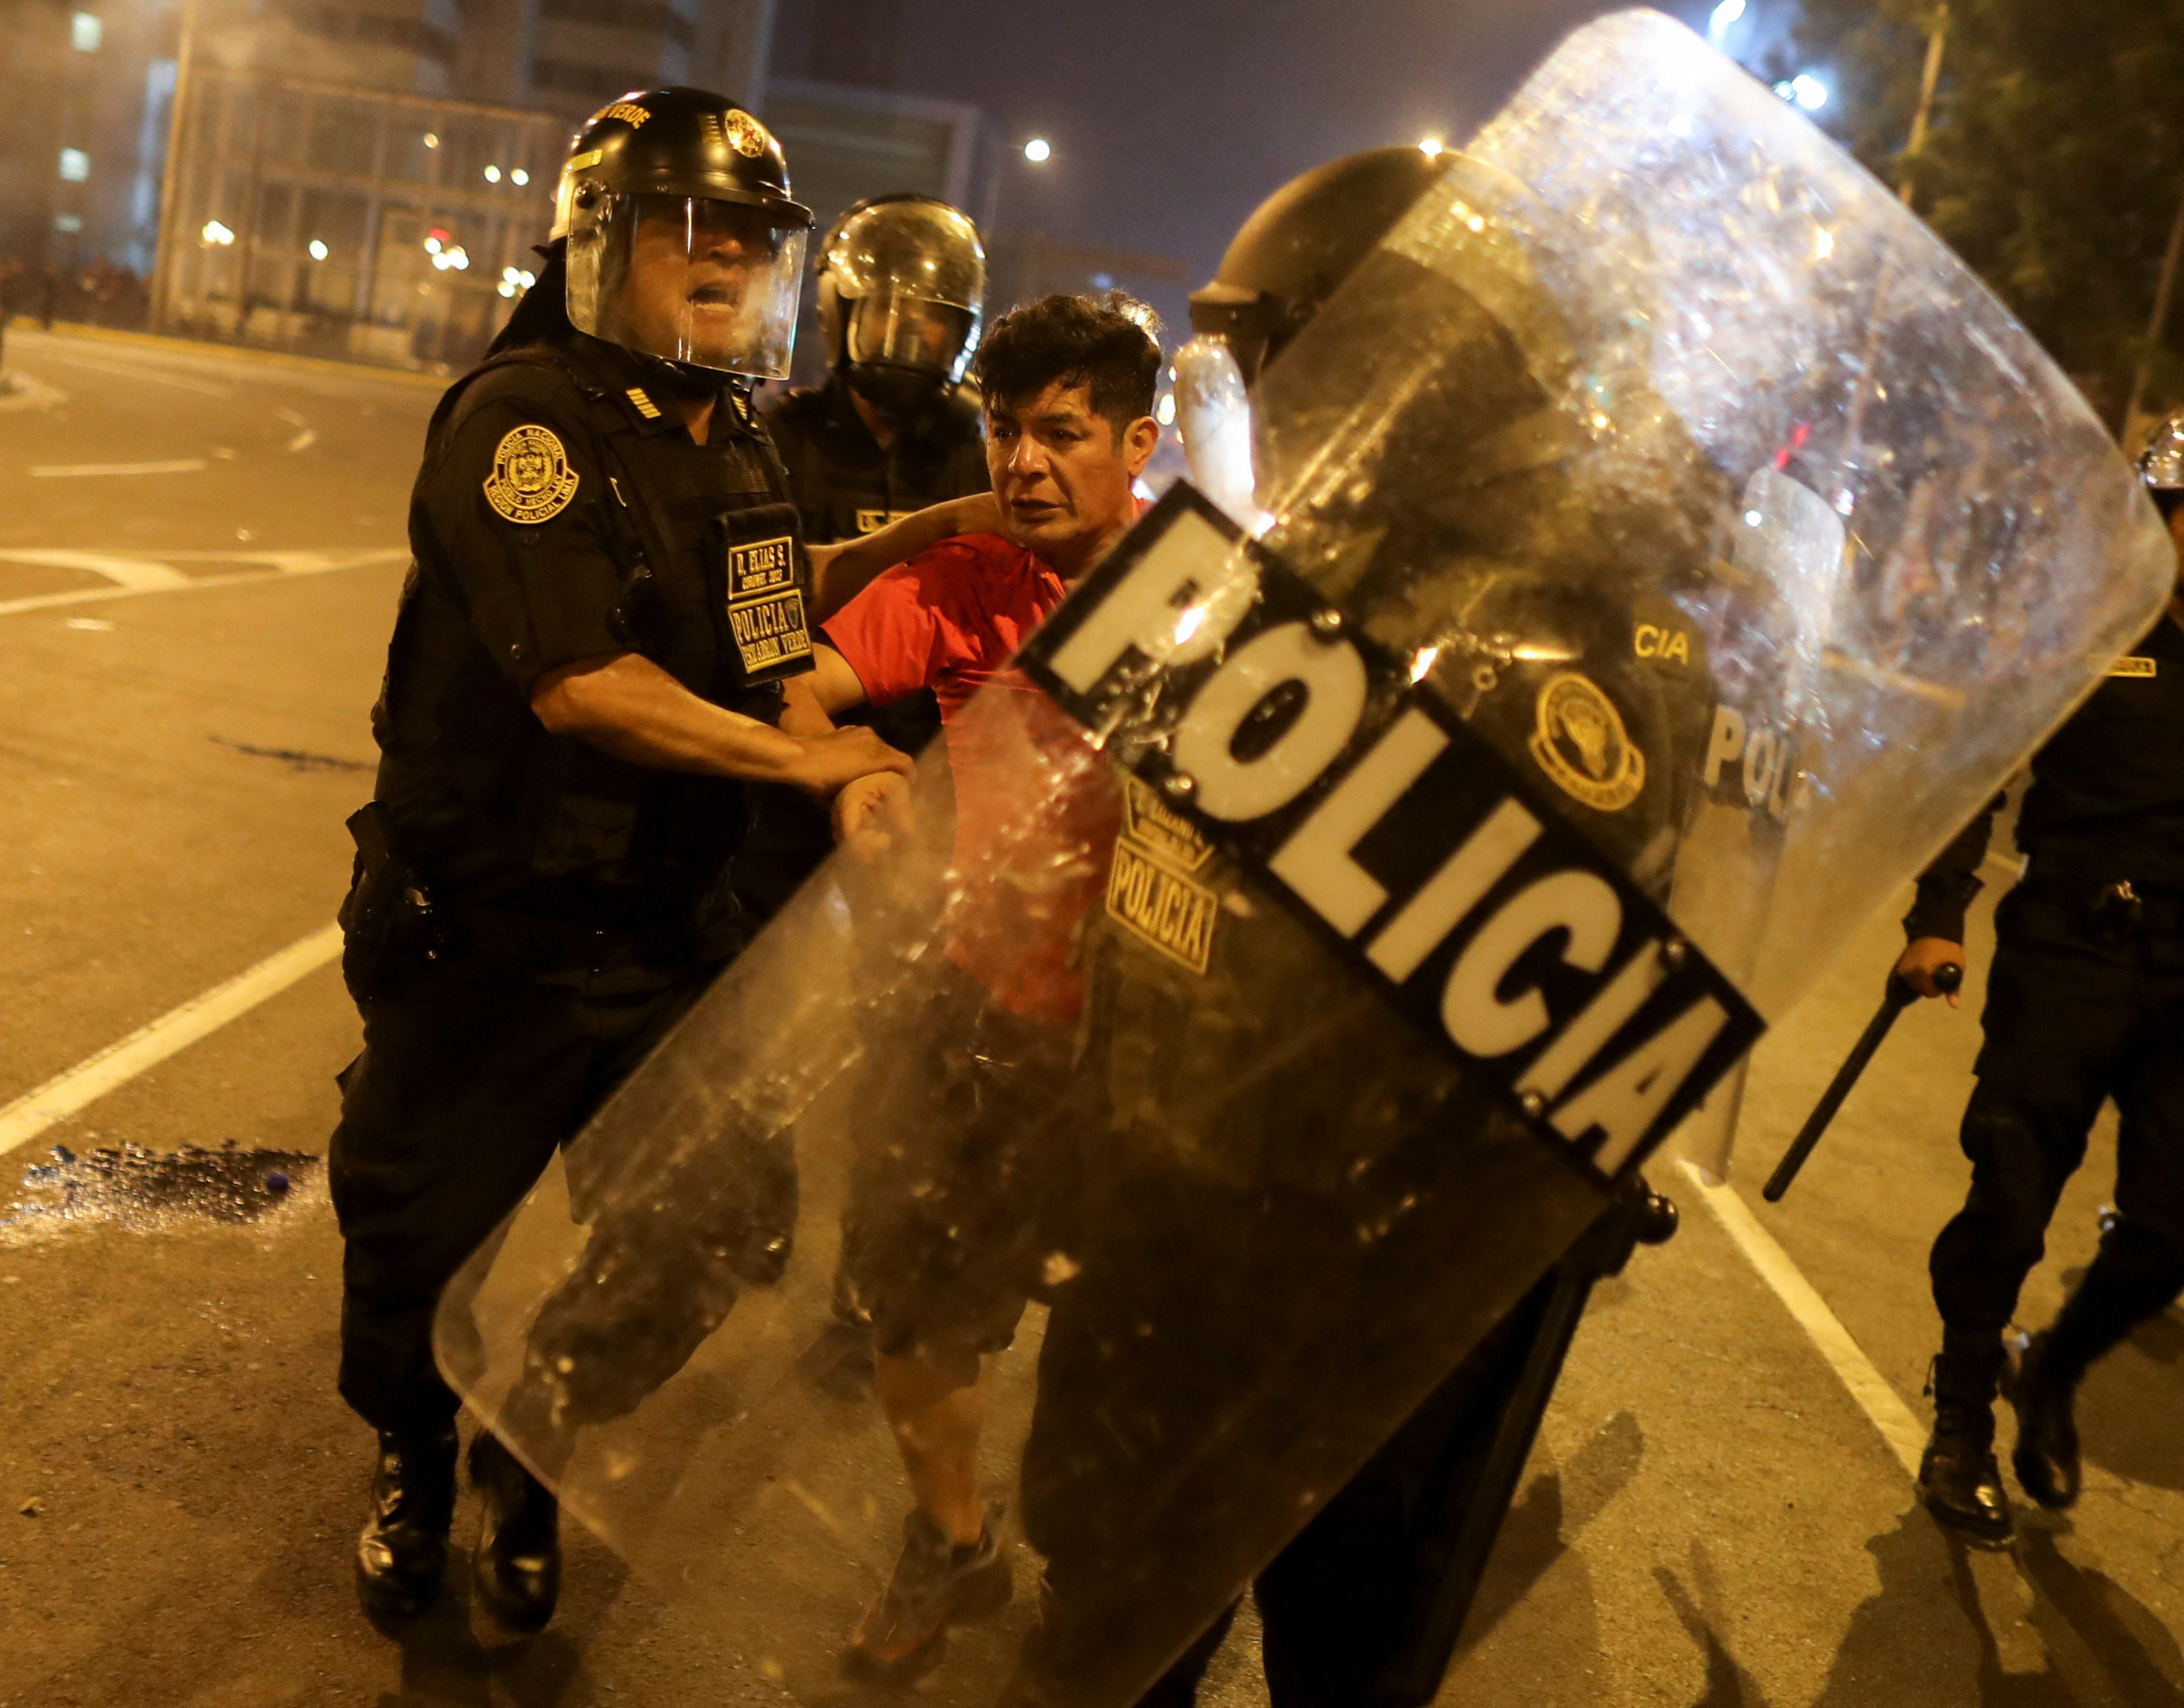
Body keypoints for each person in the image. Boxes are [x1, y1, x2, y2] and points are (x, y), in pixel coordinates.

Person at [1023, 147, 1744, 1708]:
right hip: (1164, 1241)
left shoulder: (1552, 640)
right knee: (1096, 1636)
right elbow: (1145, 901)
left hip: (1352, 1302)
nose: (1260, 404)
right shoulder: (1256, 573)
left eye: (1277, 359)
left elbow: (1545, 1028)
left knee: (1339, 1655)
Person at [326, 86, 908, 1632]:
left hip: (665, 929)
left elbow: (782, 656)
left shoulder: (737, 444)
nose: (722, 259)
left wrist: (847, 778)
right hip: (492, 939)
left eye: (748, 235)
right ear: (602, 244)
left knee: (718, 1216)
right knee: (422, 1233)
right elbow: (582, 684)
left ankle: (533, 1440)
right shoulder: (524, 418)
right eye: (685, 227)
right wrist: (802, 759)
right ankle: (414, 1451)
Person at [781, 289, 1161, 1666]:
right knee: (910, 1301)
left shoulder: (1207, 605)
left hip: (1140, 1046)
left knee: (1121, 1350)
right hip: (967, 1011)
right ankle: (949, 1542)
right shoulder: (966, 582)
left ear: (1140, 444)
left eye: (1062, 433)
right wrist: (852, 773)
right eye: (1006, 429)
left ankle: (1110, 1582)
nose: (1024, 464)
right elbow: (799, 679)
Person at [1892, 395, 2184, 1541]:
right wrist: (1941, 917)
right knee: (2010, 1198)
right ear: (2161, 506)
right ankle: (1958, 1422)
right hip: (2069, 953)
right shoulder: (2083, 618)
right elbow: (1981, 768)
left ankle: (2054, 1368)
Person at [733, 195, 994, 924]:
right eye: (889, 315)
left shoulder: (978, 461)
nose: (910, 338)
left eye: (931, 320)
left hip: (925, 792)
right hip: (785, 774)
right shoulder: (774, 444)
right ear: (839, 316)